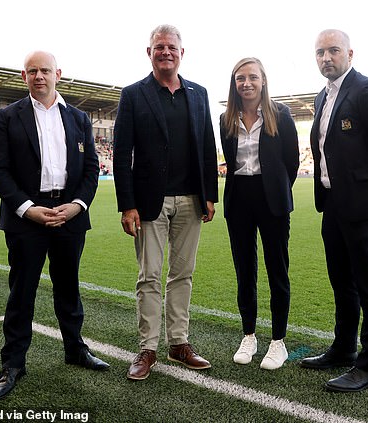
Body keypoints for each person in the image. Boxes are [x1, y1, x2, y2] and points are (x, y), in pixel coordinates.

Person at [0, 51, 109, 400]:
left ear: (58, 73)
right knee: (21, 291)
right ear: (23, 76)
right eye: (32, 71)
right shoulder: (8, 117)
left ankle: (75, 349)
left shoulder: (79, 118)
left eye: (45, 70)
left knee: (68, 287)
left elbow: (90, 170)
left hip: (69, 214)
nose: (39, 76)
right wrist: (28, 209)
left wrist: (77, 205)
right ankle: (13, 363)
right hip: (27, 216)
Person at [299, 29, 368, 392]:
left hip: (366, 208)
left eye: (333, 50)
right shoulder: (322, 97)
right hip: (333, 204)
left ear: (350, 53)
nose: (326, 57)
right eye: (320, 52)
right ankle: (344, 348)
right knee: (342, 282)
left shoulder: (367, 89)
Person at [113, 24, 218, 381]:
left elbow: (206, 146)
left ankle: (179, 343)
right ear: (150, 53)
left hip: (190, 199)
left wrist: (209, 195)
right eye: (159, 47)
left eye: (172, 47)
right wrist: (127, 205)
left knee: (183, 274)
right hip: (148, 203)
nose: (166, 52)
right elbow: (121, 152)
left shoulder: (199, 94)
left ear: (182, 53)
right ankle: (147, 348)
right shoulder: (133, 95)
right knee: (150, 276)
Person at [219, 57, 299, 370]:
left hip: (272, 201)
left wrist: (276, 188)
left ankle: (278, 342)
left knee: (277, 270)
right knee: (245, 271)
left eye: (253, 77)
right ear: (234, 83)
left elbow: (290, 161)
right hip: (239, 198)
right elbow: (229, 158)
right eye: (241, 78)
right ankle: (249, 336)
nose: (247, 83)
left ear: (263, 80)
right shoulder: (226, 118)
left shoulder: (280, 114)